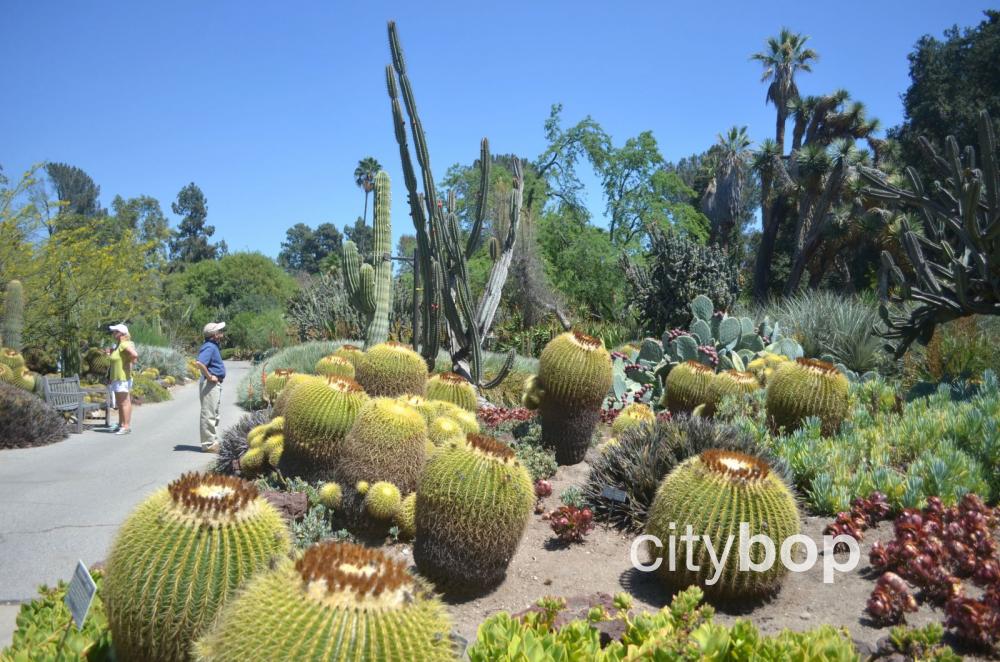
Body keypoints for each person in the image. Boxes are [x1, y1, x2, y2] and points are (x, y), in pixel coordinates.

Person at [195, 321, 226, 453]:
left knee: (213, 414)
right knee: (209, 414)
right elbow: (200, 363)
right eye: (219, 331)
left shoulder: (212, 346)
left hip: (213, 384)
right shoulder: (209, 347)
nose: (221, 333)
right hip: (210, 384)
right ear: (213, 335)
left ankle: (213, 442)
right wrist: (209, 376)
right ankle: (208, 444)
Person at [107, 323, 138, 435]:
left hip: (122, 378)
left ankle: (125, 426)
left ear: (121, 333)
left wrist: (130, 361)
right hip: (119, 378)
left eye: (115, 331)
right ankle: (122, 424)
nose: (113, 333)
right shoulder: (119, 345)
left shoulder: (124, 344)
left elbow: (134, 355)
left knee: (124, 402)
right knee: (122, 403)